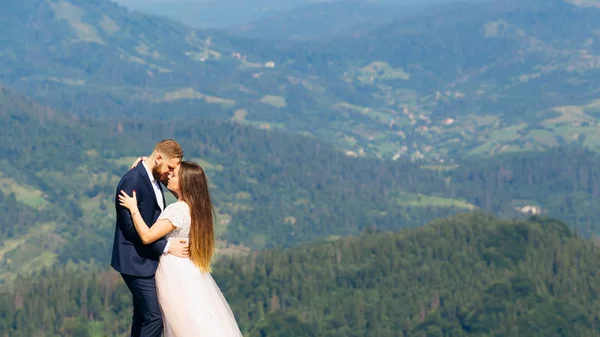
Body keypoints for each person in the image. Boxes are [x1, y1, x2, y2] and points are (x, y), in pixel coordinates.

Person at [119, 161, 243, 337]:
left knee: (173, 321)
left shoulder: (177, 210)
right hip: (187, 269)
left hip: (172, 270)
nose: (169, 176)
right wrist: (146, 165)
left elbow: (147, 236)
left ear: (185, 184)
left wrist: (133, 209)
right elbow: (167, 183)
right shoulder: (195, 208)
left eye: (174, 175)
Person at [111, 139, 189, 337]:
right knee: (155, 317)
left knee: (142, 315)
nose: (170, 173)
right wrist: (166, 246)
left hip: (145, 261)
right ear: (159, 158)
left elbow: (178, 184)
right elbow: (130, 229)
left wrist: (146, 162)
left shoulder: (152, 174)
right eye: (169, 167)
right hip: (135, 261)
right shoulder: (132, 181)